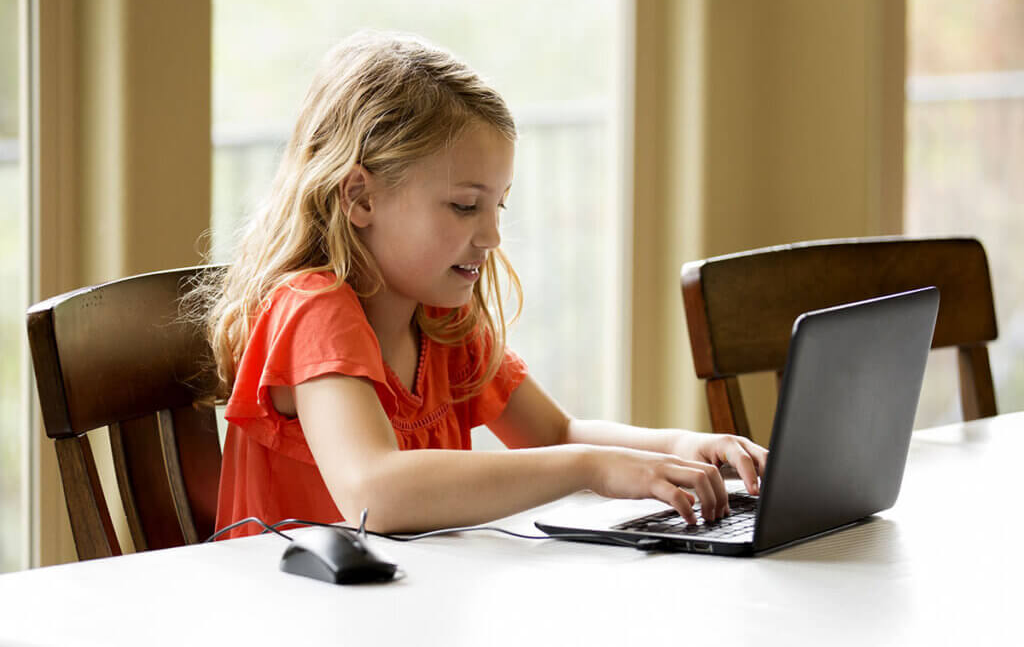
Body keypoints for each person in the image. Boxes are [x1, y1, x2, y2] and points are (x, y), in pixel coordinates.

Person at [199, 30, 768, 539]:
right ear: (360, 197)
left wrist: (682, 449)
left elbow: (555, 431)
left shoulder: (440, 322)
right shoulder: (312, 309)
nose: (493, 236)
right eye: (465, 205)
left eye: (498, 205)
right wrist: (592, 466)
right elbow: (375, 490)